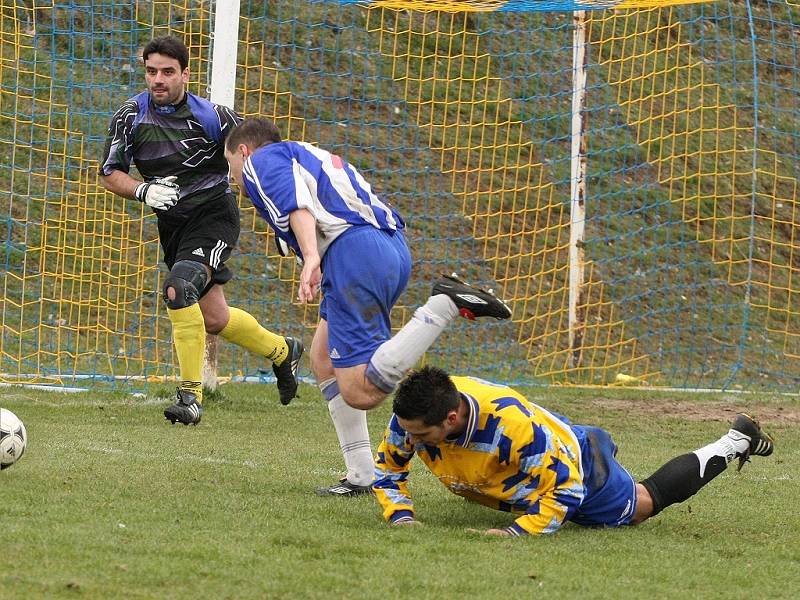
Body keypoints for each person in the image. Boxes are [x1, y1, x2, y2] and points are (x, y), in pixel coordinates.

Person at [224, 117, 513, 495]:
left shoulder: (262, 160)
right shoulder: (306, 154)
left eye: (231, 166)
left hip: (354, 254)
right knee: (324, 359)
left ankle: (443, 304)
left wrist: (310, 257)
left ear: (244, 151)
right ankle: (362, 474)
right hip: (385, 248)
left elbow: (299, 206)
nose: (233, 177)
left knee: (360, 392)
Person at [99, 36, 303, 425]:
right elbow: (109, 173)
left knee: (179, 288)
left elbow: (263, 158)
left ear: (185, 74)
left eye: (167, 72)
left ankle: (190, 397)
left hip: (213, 215)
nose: (158, 79)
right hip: (173, 225)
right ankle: (282, 351)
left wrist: (282, 217)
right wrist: (143, 189)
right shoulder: (129, 117)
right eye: (151, 71)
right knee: (213, 318)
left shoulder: (214, 118)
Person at [373, 366, 775, 535]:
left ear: (451, 420)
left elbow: (565, 492)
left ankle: (736, 440)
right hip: (542, 450)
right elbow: (389, 470)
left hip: (575, 463)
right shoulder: (413, 417)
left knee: (639, 505)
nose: (410, 441)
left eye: (421, 437)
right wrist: (401, 517)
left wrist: (516, 533)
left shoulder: (513, 430)